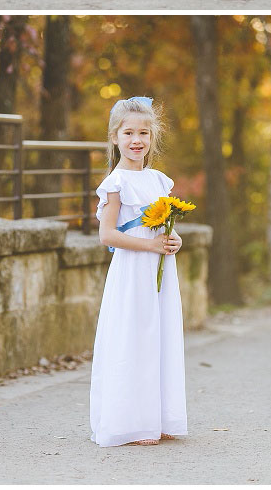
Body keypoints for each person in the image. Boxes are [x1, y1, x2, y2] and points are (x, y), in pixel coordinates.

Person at [90, 97, 187, 445]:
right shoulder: (115, 183)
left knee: (160, 335)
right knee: (135, 337)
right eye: (128, 132)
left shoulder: (160, 180)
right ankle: (132, 422)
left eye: (143, 132)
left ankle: (158, 417)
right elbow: (108, 234)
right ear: (115, 137)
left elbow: (164, 226)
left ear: (153, 137)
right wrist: (150, 247)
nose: (136, 139)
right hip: (132, 270)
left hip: (160, 270)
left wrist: (174, 239)